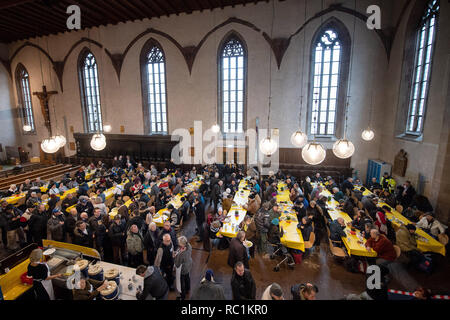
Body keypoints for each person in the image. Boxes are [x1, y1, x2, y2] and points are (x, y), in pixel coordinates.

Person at [174, 236, 192, 300]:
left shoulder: (181, 254)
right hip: (189, 264)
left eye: (179, 244)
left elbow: (177, 264)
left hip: (183, 269)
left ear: (182, 244)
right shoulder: (189, 246)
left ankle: (182, 296)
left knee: (181, 282)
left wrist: (176, 256)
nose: (178, 245)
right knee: (187, 277)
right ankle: (188, 289)